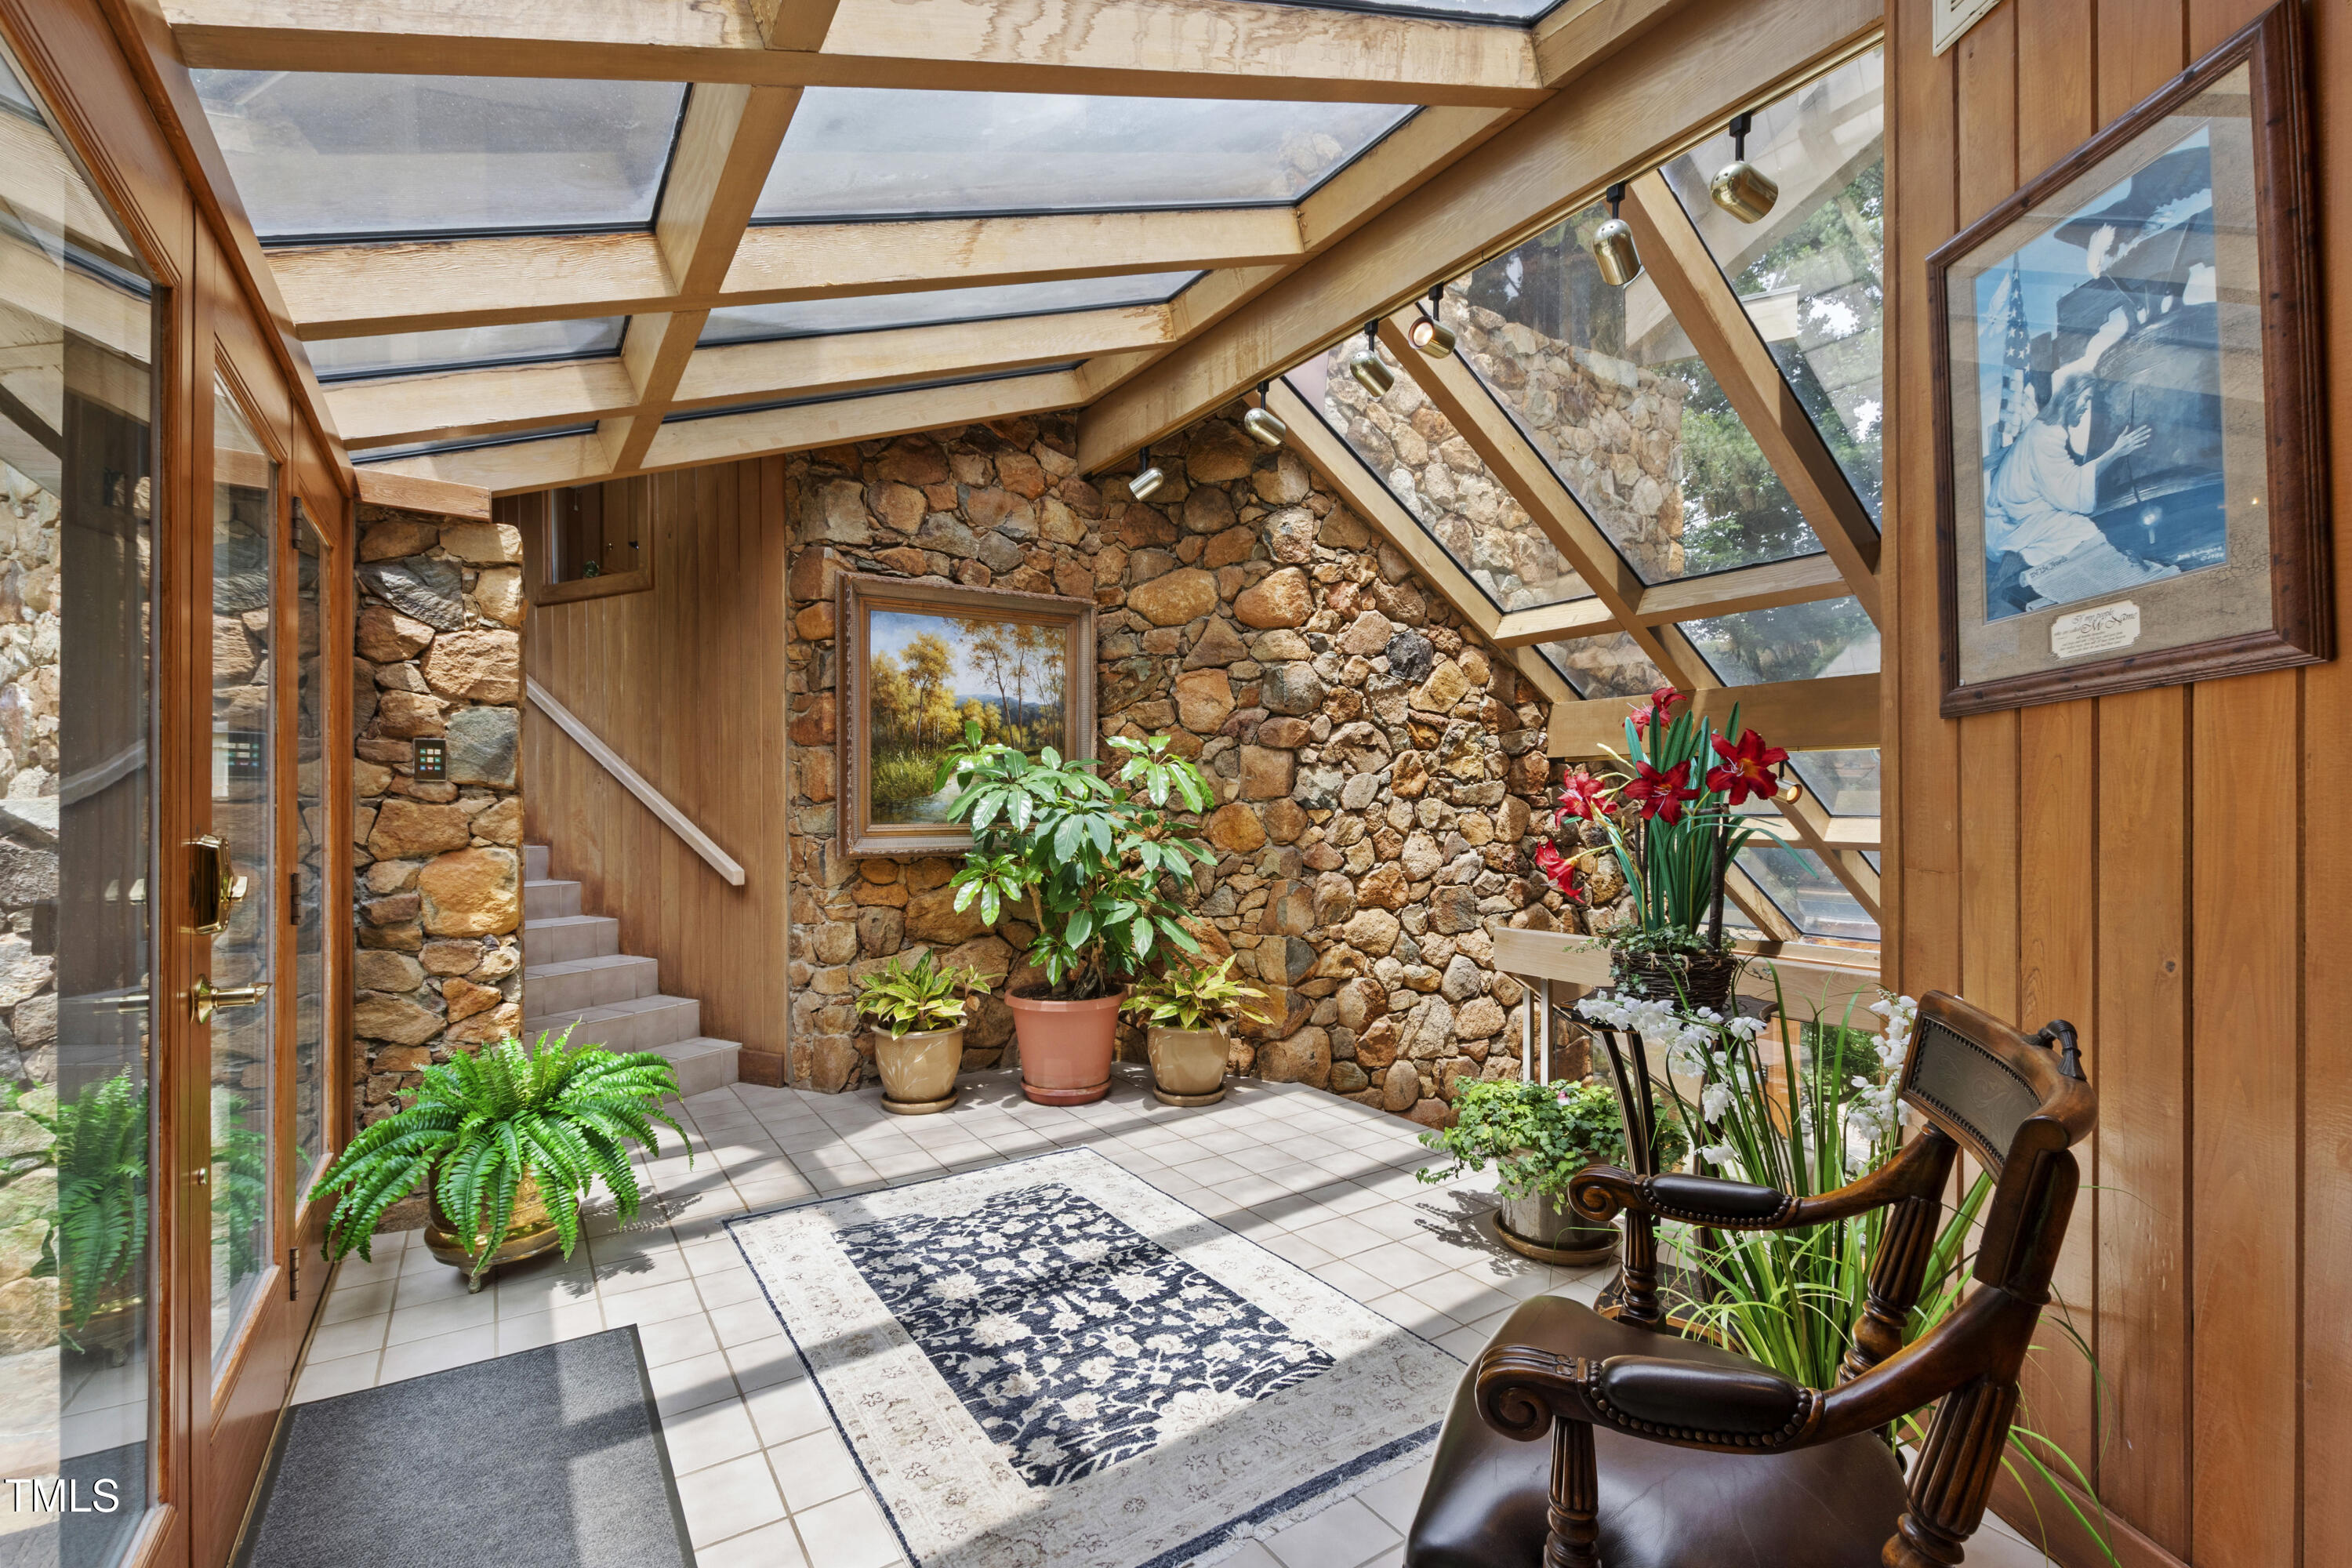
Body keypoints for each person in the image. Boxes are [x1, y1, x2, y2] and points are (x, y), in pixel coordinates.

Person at [1983, 374, 2172, 615]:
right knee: (2080, 531)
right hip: (2017, 520)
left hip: (2023, 511)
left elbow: (2062, 482)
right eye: (2086, 399)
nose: (2086, 407)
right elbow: (2068, 494)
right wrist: (2115, 452)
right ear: (2070, 398)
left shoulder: (2046, 430)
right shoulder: (2046, 436)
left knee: (2081, 534)